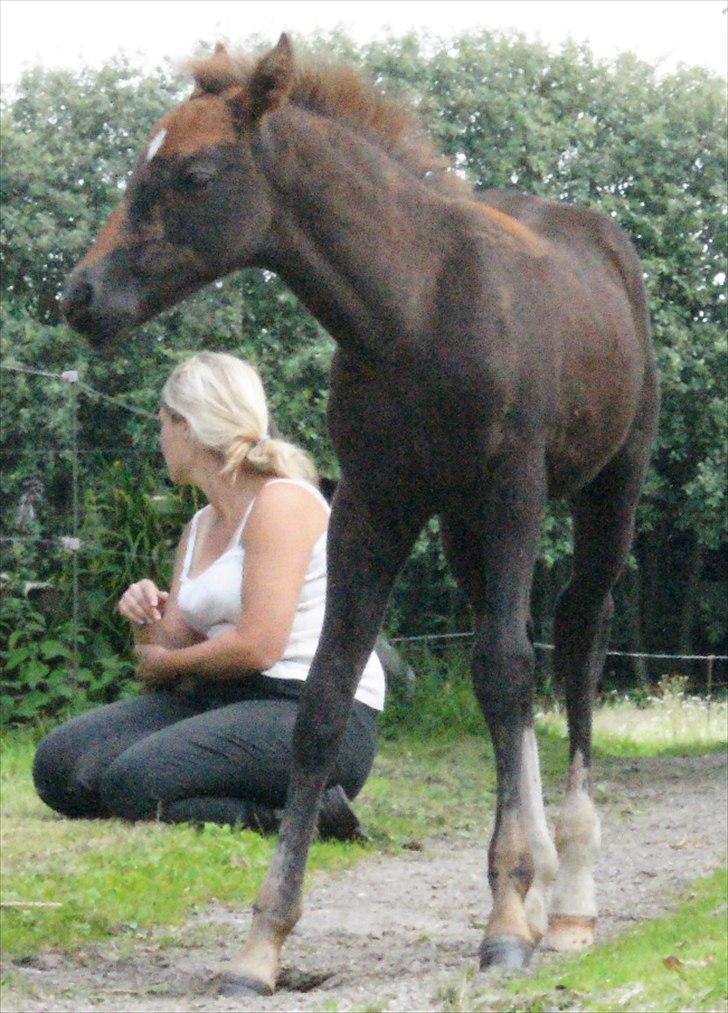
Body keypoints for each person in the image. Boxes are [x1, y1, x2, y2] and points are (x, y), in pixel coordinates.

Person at [33, 352, 385, 840]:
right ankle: (208, 797)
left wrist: (170, 665)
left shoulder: (282, 502)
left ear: (187, 426)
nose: (160, 439)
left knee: (135, 782)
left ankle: (303, 819)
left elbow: (258, 647)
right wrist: (143, 615)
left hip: (312, 709)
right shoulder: (200, 526)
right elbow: (167, 647)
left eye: (163, 423)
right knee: (61, 765)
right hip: (226, 696)